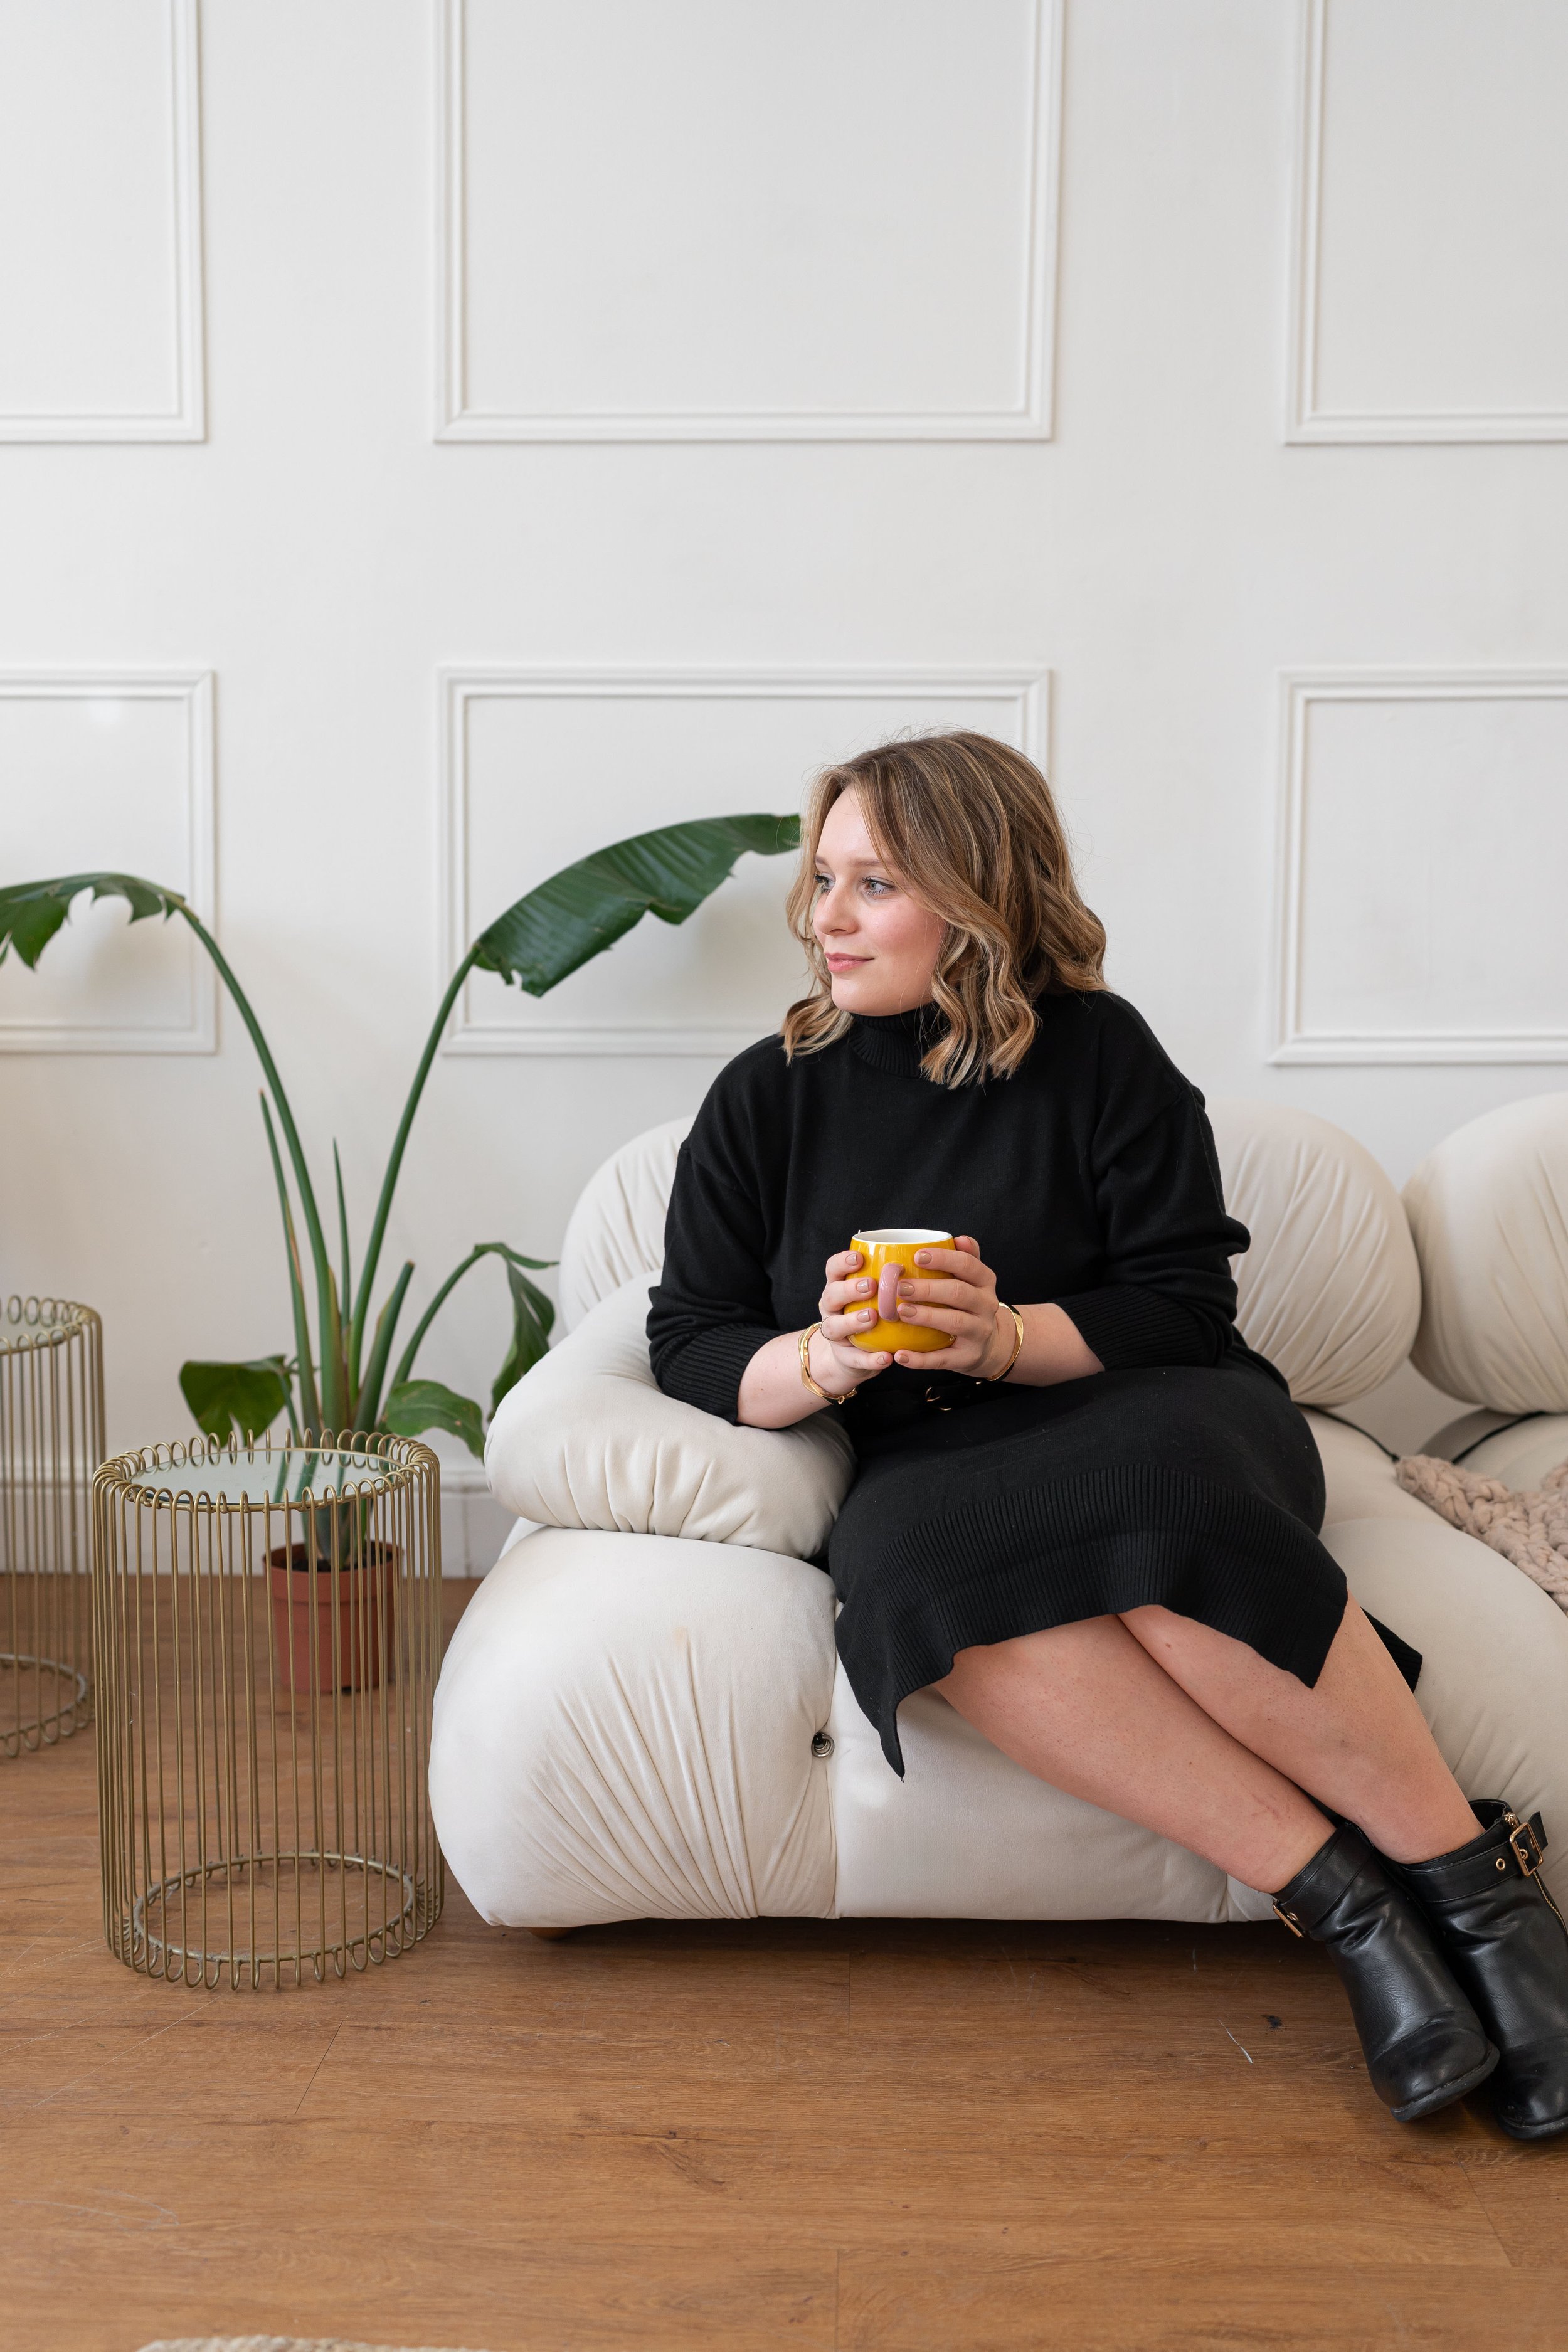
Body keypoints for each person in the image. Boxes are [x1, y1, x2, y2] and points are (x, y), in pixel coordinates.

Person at [648, 731, 1568, 2137]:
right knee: (908, 1562)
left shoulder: (1099, 1053)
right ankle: (1357, 1913)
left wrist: (1002, 1336)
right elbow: (693, 1341)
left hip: (1150, 1409)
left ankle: (1483, 1905)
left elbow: (1181, 1301)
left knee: (1157, 1493)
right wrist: (830, 1356)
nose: (822, 919)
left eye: (872, 882)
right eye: (820, 879)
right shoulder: (764, 1098)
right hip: (929, 1453)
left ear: (973, 890)